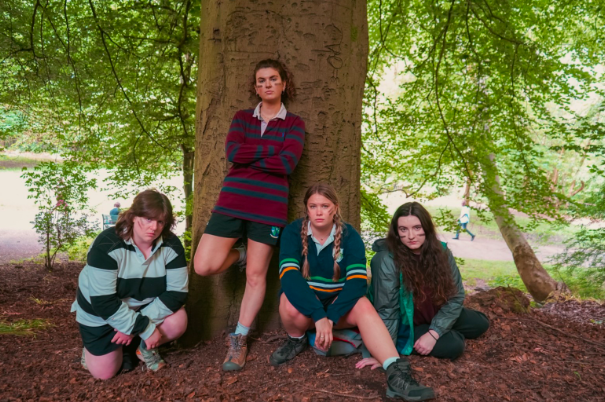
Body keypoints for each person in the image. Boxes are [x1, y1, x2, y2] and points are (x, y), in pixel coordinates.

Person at [271, 184, 435, 401]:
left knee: (363, 304)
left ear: (335, 207)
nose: (319, 212)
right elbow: (289, 278)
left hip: (339, 306)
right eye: (313, 206)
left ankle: (395, 373)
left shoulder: (349, 235)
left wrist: (331, 317)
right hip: (307, 309)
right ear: (306, 209)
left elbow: (357, 282)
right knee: (288, 302)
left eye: (325, 206)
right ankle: (296, 340)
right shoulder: (293, 232)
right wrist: (318, 315)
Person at [193, 59, 306, 372]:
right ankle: (240, 254)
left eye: (273, 79)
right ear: (255, 87)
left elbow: (288, 163)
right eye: (261, 80)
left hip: (269, 207)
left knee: (256, 276)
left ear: (284, 84)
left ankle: (239, 339)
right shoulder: (242, 118)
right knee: (203, 264)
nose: (267, 84)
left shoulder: (294, 123)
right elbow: (232, 152)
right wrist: (271, 150)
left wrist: (251, 152)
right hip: (232, 201)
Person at [71, 189, 188, 379]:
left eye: (160, 222)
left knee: (177, 321)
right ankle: (93, 349)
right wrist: (143, 328)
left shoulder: (171, 245)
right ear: (133, 217)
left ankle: (142, 347)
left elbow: (177, 293)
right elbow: (103, 302)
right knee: (104, 374)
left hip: (143, 309)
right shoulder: (107, 244)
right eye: (148, 219)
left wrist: (135, 326)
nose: (154, 227)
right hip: (100, 313)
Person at [364, 202, 489, 365]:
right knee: (454, 345)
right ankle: (438, 332)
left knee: (480, 323)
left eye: (417, 227)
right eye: (403, 229)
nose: (411, 236)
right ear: (397, 232)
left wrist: (434, 333)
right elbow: (387, 310)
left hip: (434, 312)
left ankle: (439, 328)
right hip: (406, 323)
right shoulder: (386, 260)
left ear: (426, 227)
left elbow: (456, 296)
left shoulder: (441, 251)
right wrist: (384, 354)